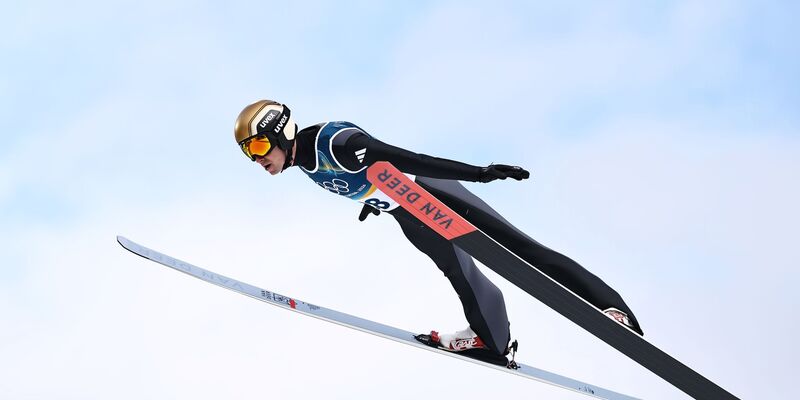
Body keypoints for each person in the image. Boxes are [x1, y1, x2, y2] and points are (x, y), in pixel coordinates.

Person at [234, 100, 643, 365]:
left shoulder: (337, 142)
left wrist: (479, 175)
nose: (257, 160)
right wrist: (369, 205)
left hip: (431, 192)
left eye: (257, 149)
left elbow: (410, 159)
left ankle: (610, 306)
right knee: (459, 273)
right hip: (406, 213)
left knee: (518, 248)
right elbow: (363, 182)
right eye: (248, 154)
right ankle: (491, 340)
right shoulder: (304, 163)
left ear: (280, 133)